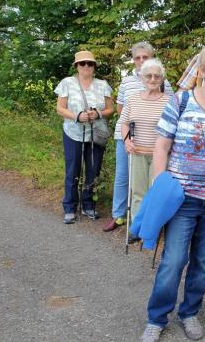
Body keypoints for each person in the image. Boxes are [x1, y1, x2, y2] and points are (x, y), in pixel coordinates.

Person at [139, 39, 205, 342]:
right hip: (182, 199)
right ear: (203, 68)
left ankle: (190, 312)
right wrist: (160, 183)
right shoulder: (180, 101)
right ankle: (156, 318)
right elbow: (161, 145)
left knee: (203, 261)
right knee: (173, 260)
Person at [103, 42, 173, 232]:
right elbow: (121, 110)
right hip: (129, 137)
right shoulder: (127, 81)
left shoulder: (164, 85)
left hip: (155, 145)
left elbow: (171, 116)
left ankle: (151, 225)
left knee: (153, 186)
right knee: (124, 178)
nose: (141, 61)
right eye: (138, 58)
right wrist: (127, 138)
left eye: (145, 57)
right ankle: (120, 216)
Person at [55, 50, 115, 224]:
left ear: (94, 66)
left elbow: (110, 110)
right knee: (73, 170)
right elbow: (60, 108)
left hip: (96, 134)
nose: (86, 66)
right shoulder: (67, 83)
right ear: (77, 66)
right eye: (82, 63)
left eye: (90, 63)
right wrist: (77, 116)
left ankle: (88, 205)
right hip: (73, 133)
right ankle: (69, 207)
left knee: (93, 170)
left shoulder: (103, 85)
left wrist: (98, 114)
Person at [118, 58, 171, 243]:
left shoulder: (169, 101)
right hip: (137, 152)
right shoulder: (133, 99)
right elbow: (124, 123)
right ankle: (136, 228)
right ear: (142, 77)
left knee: (155, 193)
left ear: (162, 78)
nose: (153, 79)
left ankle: (152, 229)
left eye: (157, 75)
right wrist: (126, 141)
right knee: (138, 192)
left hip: (159, 155)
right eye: (149, 75)